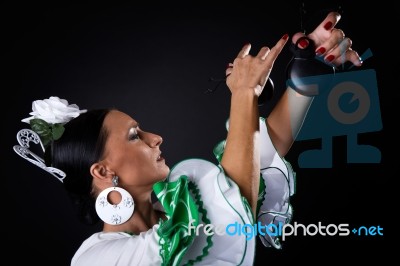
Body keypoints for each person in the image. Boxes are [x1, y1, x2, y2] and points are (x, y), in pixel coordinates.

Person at [14, 11, 362, 266]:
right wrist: (243, 94)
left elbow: (258, 158)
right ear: (103, 172)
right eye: (135, 135)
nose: (156, 138)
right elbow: (236, 199)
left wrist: (308, 74)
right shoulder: (96, 259)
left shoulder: (178, 211)